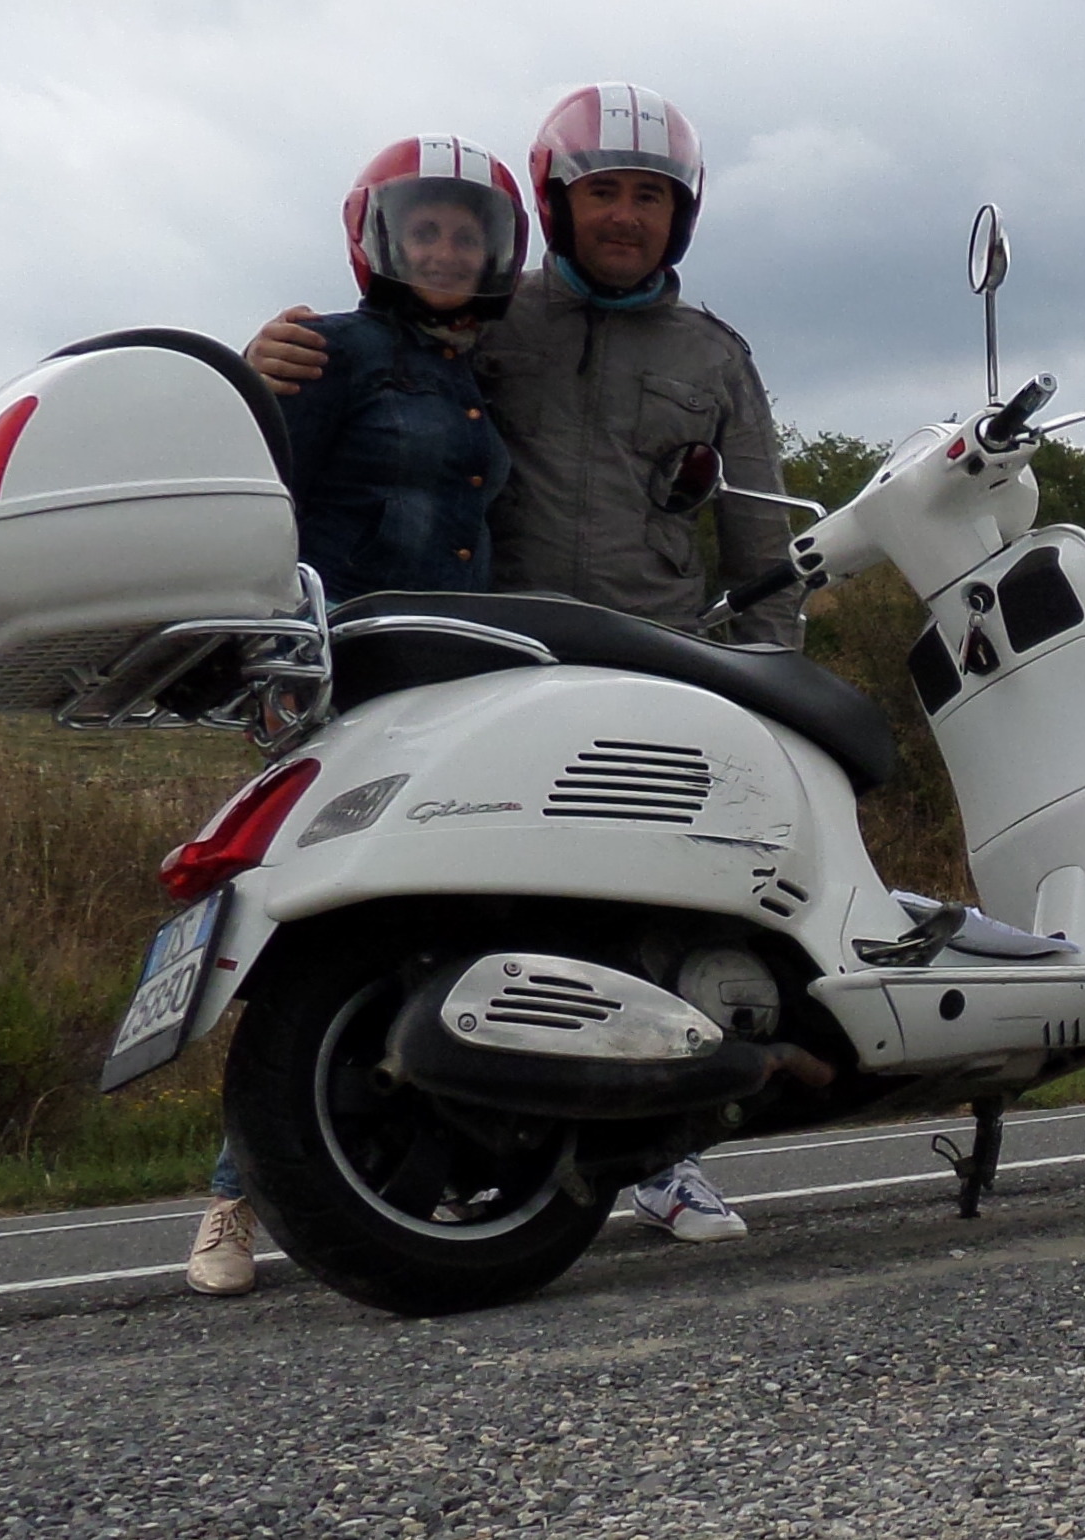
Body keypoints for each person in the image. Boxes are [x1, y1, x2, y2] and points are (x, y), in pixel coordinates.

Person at [243, 83, 780, 1249]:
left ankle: (663, 1156)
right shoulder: (489, 310)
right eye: (602, 193)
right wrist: (262, 362)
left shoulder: (717, 357)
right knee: (463, 909)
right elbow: (365, 368)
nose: (625, 216)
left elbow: (760, 548)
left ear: (678, 216)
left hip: (658, 659)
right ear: (555, 204)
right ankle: (349, 1155)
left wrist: (769, 682)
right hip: (498, 655)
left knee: (655, 911)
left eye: (649, 196)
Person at [187, 133, 527, 1298]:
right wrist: (246, 371)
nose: (443, 246)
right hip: (338, 671)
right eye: (423, 227)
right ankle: (239, 1194)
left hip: (453, 679)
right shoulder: (324, 351)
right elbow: (252, 483)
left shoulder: (483, 378)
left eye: (466, 231)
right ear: (378, 237)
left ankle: (408, 1171)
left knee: (439, 926)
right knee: (310, 927)